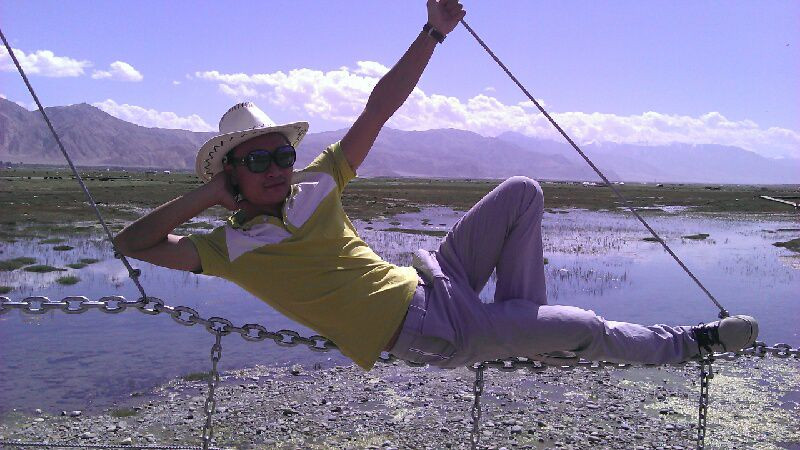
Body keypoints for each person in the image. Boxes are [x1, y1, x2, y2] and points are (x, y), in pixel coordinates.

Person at [114, 0, 758, 371]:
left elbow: (377, 111)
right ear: (231, 175)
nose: (278, 166)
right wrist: (207, 199)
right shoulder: (227, 250)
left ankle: (527, 334)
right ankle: (690, 343)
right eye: (258, 161)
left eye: (283, 152)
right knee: (588, 323)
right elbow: (132, 244)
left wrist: (433, 33)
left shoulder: (317, 184)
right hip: (429, 332)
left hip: (432, 280)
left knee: (523, 190)